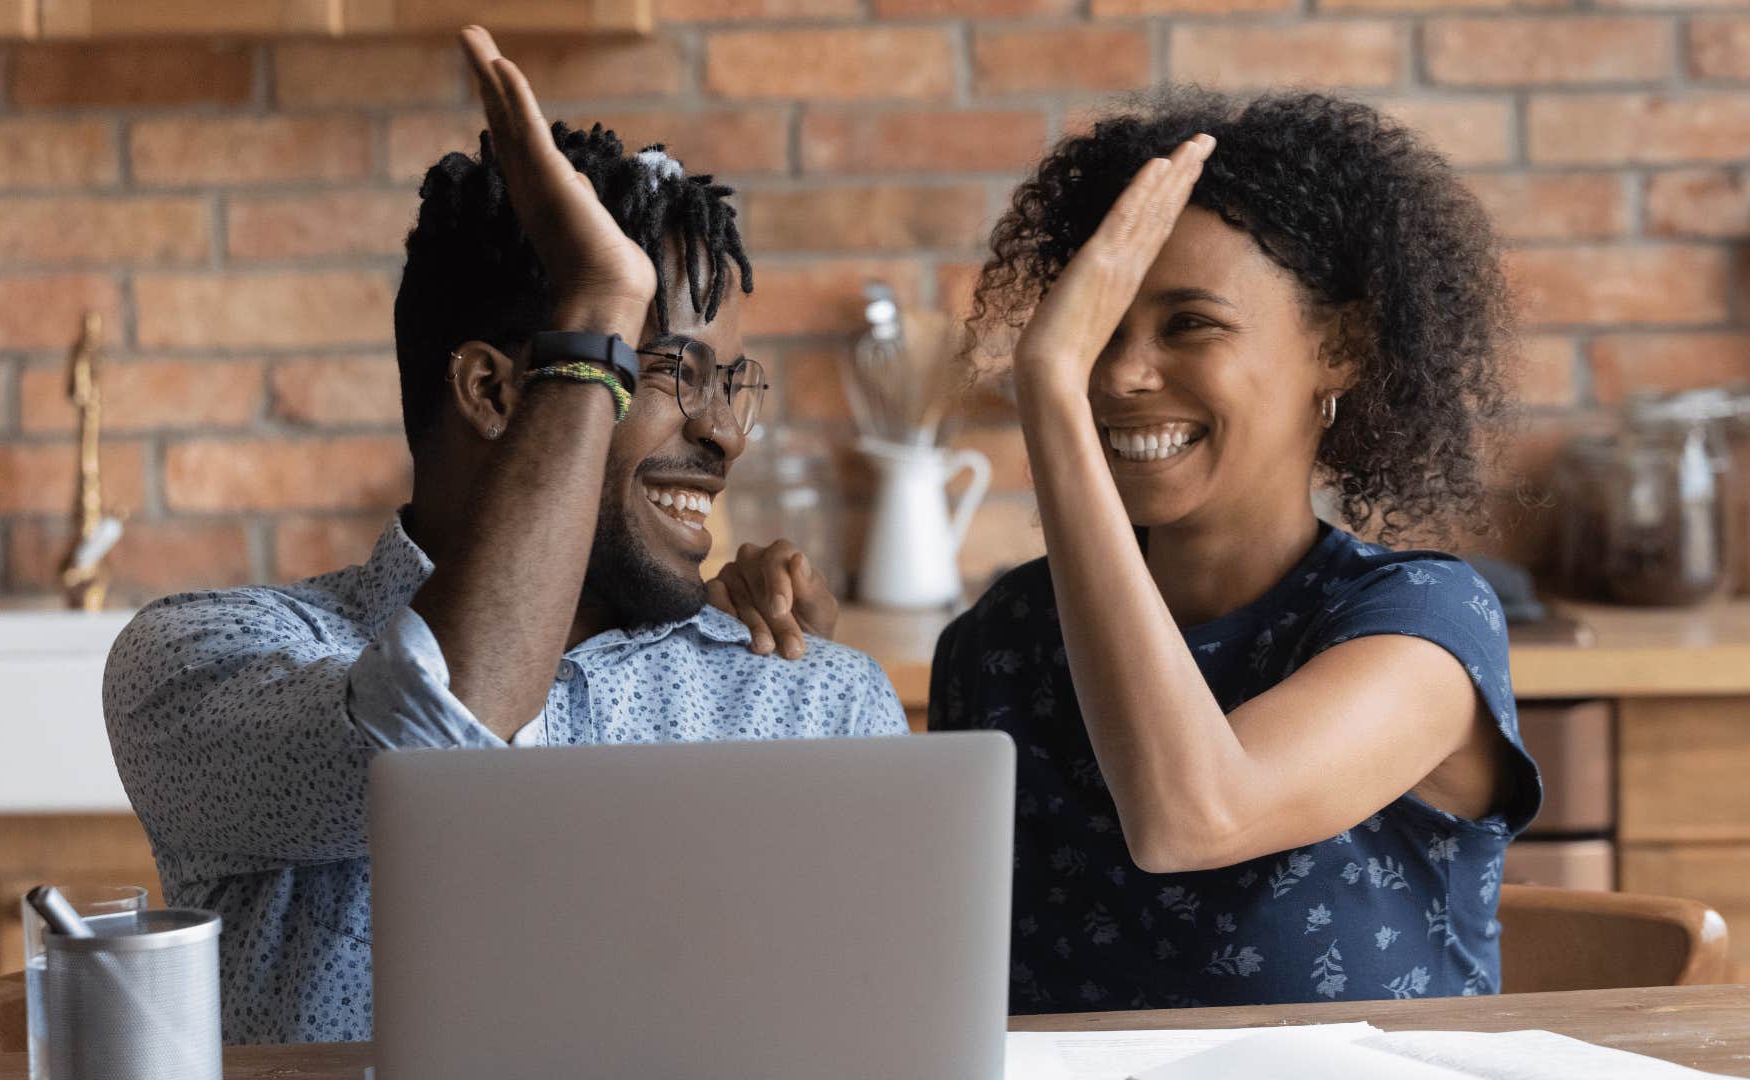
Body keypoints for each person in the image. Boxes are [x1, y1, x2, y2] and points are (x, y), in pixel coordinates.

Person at [104, 27, 905, 1046]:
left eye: (728, 381)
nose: (723, 433)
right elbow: (444, 731)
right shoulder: (206, 663)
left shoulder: (813, 701)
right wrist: (597, 312)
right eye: (666, 371)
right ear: (494, 390)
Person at [713, 89, 1542, 1011]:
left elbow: (1193, 817)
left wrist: (1050, 387)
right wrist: (799, 676)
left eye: (1191, 323)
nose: (1119, 375)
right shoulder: (1003, 639)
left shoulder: (1421, 630)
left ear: (1339, 346)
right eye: (1099, 329)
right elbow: (901, 958)